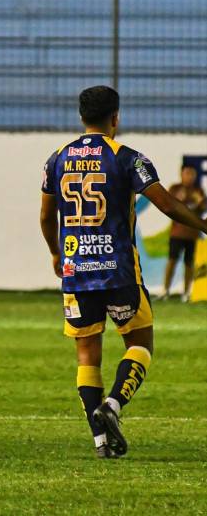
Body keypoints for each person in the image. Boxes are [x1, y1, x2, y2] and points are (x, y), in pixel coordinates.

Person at [40, 86, 207, 459]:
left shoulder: (57, 158)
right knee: (140, 344)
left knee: (87, 355)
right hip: (118, 271)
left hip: (76, 269)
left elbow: (46, 216)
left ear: (81, 117)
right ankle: (113, 404)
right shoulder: (128, 158)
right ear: (116, 118)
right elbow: (165, 204)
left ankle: (101, 442)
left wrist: (55, 253)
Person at [160, 165, 206, 302]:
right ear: (181, 174)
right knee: (172, 261)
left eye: (192, 174)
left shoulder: (198, 191)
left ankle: (186, 292)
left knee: (189, 263)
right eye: (187, 174)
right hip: (177, 233)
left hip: (192, 234)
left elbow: (203, 209)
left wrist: (200, 201)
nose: (190, 177)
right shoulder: (175, 189)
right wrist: (179, 198)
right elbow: (167, 205)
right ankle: (165, 290)